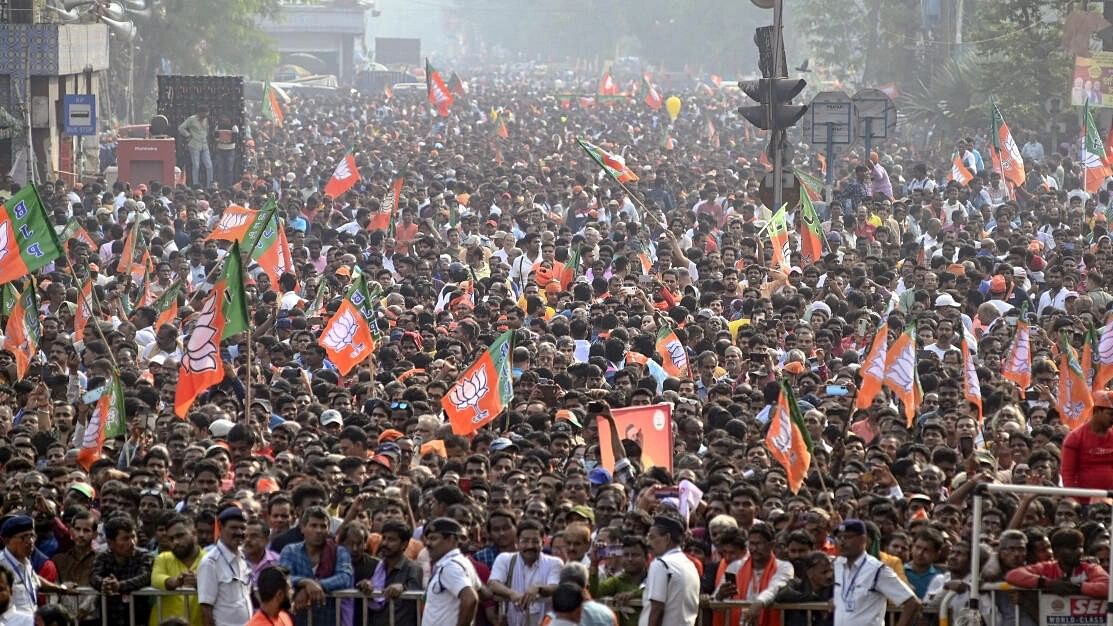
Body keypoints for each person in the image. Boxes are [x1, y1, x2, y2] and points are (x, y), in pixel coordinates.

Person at [831, 519, 920, 626]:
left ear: (863, 540)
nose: (842, 542)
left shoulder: (876, 569)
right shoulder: (838, 565)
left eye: (848, 537)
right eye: (839, 537)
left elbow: (912, 603)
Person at [279, 506, 353, 626]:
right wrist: (306, 582)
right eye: (313, 525)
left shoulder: (339, 551)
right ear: (302, 528)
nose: (318, 530)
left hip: (328, 619)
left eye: (323, 526)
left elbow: (345, 577)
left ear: (328, 530)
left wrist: (315, 586)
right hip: (296, 619)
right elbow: (282, 577)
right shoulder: (290, 551)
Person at [488, 518, 562, 626]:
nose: (530, 546)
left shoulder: (554, 563)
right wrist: (512, 594)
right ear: (517, 542)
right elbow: (493, 584)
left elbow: (555, 587)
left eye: (535, 541)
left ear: (543, 542)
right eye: (525, 541)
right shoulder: (504, 559)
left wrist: (538, 588)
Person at [1005, 527, 1110, 598]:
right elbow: (1012, 575)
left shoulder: (1090, 568)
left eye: (1080, 547)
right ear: (1057, 551)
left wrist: (1077, 588)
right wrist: (1049, 584)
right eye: (1072, 548)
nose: (1079, 551)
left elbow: (1109, 587)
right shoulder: (1046, 568)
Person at [90, 515, 153, 626]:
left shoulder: (144, 555)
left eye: (133, 537)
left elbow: (145, 576)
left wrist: (119, 586)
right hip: (110, 618)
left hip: (138, 618)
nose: (132, 542)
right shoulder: (103, 557)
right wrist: (104, 584)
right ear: (110, 543)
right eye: (125, 538)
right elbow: (94, 576)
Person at [639, 515, 700, 626]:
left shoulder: (661, 564)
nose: (648, 543)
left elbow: (657, 608)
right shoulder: (690, 565)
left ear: (667, 538)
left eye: (652, 537)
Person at [197, 507, 252, 626]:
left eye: (242, 528)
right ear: (221, 527)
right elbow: (206, 608)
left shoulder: (242, 558)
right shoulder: (210, 563)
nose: (239, 532)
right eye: (233, 528)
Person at [361, 520, 422, 626]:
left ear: (404, 544)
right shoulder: (376, 566)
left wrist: (403, 588)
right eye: (383, 538)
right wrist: (364, 585)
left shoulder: (413, 568)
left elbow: (415, 595)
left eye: (391, 540)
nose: (385, 543)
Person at [421, 517, 479, 626]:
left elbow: (470, 598)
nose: (427, 544)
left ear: (451, 539)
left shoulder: (450, 566)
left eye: (433, 539)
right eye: (427, 539)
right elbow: (482, 591)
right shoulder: (462, 562)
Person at [149, 513, 204, 626]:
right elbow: (156, 578)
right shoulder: (163, 558)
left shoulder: (209, 559)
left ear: (194, 533)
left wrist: (200, 582)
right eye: (171, 538)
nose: (175, 542)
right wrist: (175, 582)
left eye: (180, 536)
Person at [177, 106, 213, 187]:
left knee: (209, 165)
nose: (205, 117)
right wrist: (188, 135)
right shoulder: (191, 119)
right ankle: (195, 184)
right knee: (196, 165)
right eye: (204, 115)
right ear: (199, 113)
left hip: (204, 144)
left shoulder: (206, 119)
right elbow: (181, 128)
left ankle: (209, 184)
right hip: (194, 144)